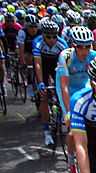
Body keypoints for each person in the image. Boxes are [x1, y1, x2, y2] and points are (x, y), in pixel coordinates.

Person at [55, 25, 96, 173]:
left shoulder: (94, 56)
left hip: (83, 87)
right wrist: (68, 112)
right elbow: (64, 86)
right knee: (73, 127)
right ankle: (71, 159)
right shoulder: (65, 56)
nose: (84, 51)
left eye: (87, 46)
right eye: (80, 47)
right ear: (73, 45)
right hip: (67, 90)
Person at [34, 18, 68, 147]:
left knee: (62, 91)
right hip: (43, 65)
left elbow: (65, 66)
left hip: (56, 66)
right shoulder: (38, 43)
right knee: (44, 96)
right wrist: (41, 83)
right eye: (48, 37)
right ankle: (47, 132)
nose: (52, 39)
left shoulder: (62, 44)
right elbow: (38, 65)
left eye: (54, 36)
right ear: (43, 35)